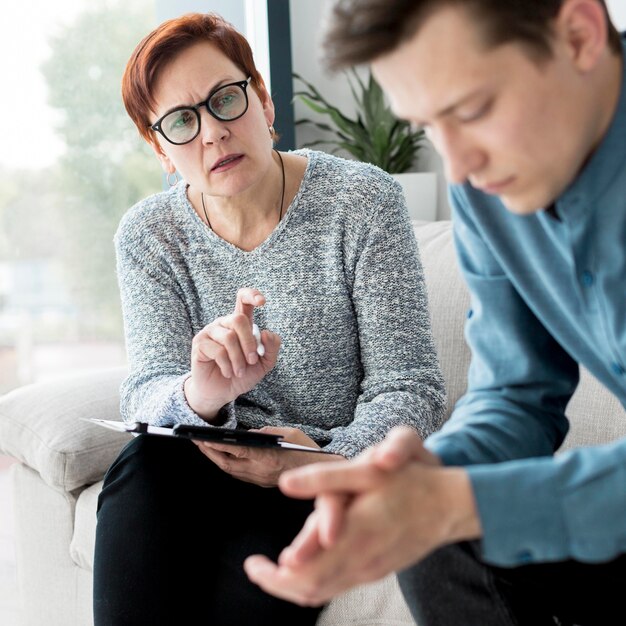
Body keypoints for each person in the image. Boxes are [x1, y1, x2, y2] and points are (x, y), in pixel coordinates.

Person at [243, 1, 626, 624]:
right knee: (431, 534)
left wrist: (462, 501)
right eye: (426, 126)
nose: (459, 168)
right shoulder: (490, 186)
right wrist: (418, 482)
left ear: (579, 34)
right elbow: (515, 395)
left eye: (472, 109)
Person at [92, 11, 446, 626]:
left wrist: (315, 460)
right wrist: (202, 392)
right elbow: (147, 389)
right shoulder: (148, 235)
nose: (212, 134)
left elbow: (411, 389)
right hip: (195, 467)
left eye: (226, 100)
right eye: (181, 121)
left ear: (263, 101)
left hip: (313, 472)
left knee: (247, 588)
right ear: (161, 150)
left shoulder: (362, 202)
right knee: (141, 468)